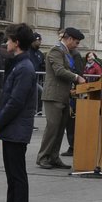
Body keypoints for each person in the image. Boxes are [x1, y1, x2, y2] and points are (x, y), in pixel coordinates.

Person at [0, 23, 39, 202]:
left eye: (9, 40)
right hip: (12, 127)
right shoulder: (19, 64)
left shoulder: (24, 67)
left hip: (17, 127)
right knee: (11, 171)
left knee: (17, 173)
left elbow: (16, 101)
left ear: (17, 43)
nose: (6, 43)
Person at [37, 27, 84, 169]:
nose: (77, 45)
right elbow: (59, 70)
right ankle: (43, 157)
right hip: (54, 96)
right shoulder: (56, 51)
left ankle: (54, 157)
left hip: (63, 95)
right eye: (76, 42)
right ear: (68, 39)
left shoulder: (66, 52)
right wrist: (76, 77)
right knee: (52, 128)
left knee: (60, 128)